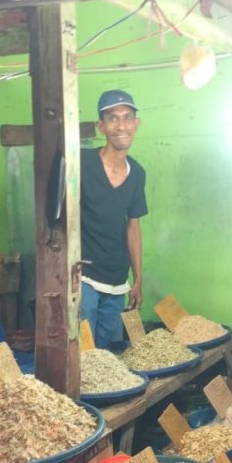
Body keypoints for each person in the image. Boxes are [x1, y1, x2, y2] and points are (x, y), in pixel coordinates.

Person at [79, 89, 148, 348]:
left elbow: (133, 226)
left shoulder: (137, 173)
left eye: (127, 117)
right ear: (101, 126)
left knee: (110, 357)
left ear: (136, 123)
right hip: (83, 277)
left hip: (118, 280)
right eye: (112, 118)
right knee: (84, 355)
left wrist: (137, 278)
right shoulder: (82, 163)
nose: (121, 126)